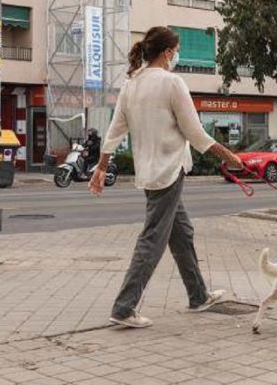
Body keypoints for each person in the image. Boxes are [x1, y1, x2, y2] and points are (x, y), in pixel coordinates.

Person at [89, 26, 244, 328]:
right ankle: (123, 307)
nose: (177, 54)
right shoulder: (172, 82)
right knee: (152, 239)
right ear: (167, 52)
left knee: (181, 232)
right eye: (176, 49)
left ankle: (198, 295)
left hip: (149, 171)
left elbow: (115, 130)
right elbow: (195, 132)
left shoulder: (131, 83)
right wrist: (229, 157)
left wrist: (101, 166)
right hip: (169, 171)